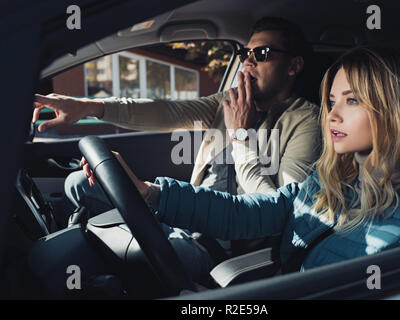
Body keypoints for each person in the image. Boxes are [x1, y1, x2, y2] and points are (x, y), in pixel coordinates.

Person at [107, 46, 400, 284]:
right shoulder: (330, 179)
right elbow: (248, 212)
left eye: (352, 100)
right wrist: (151, 193)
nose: (331, 113)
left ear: (395, 109)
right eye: (331, 101)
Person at [33, 17, 322, 255]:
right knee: (78, 184)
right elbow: (168, 112)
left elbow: (280, 212)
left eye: (261, 54)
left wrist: (241, 137)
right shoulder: (229, 102)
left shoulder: (306, 122)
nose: (248, 63)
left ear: (293, 66)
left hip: (222, 246)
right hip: (185, 217)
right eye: (245, 54)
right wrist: (89, 106)